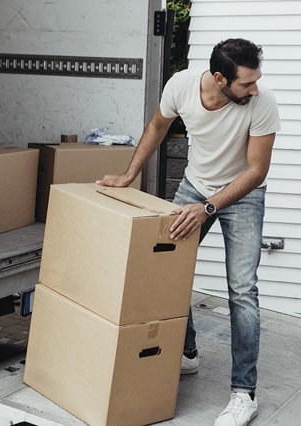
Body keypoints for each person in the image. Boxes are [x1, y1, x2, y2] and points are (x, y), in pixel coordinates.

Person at [98, 38, 280, 426]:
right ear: (219, 78)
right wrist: (130, 175)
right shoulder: (181, 85)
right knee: (166, 273)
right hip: (195, 185)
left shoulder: (262, 105)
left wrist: (208, 208)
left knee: (242, 290)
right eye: (247, 83)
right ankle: (188, 351)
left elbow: (256, 171)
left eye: (257, 81)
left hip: (243, 194)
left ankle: (243, 394)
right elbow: (158, 125)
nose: (256, 89)